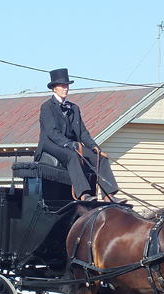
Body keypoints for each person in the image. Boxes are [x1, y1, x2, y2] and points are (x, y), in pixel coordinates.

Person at [36, 68, 121, 202]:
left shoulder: (74, 108)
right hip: (51, 144)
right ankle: (83, 194)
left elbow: (82, 132)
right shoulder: (46, 107)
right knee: (72, 156)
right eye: (62, 86)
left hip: (72, 144)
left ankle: (108, 195)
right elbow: (52, 132)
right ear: (54, 88)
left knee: (101, 158)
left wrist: (94, 147)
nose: (65, 88)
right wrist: (68, 144)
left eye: (67, 85)